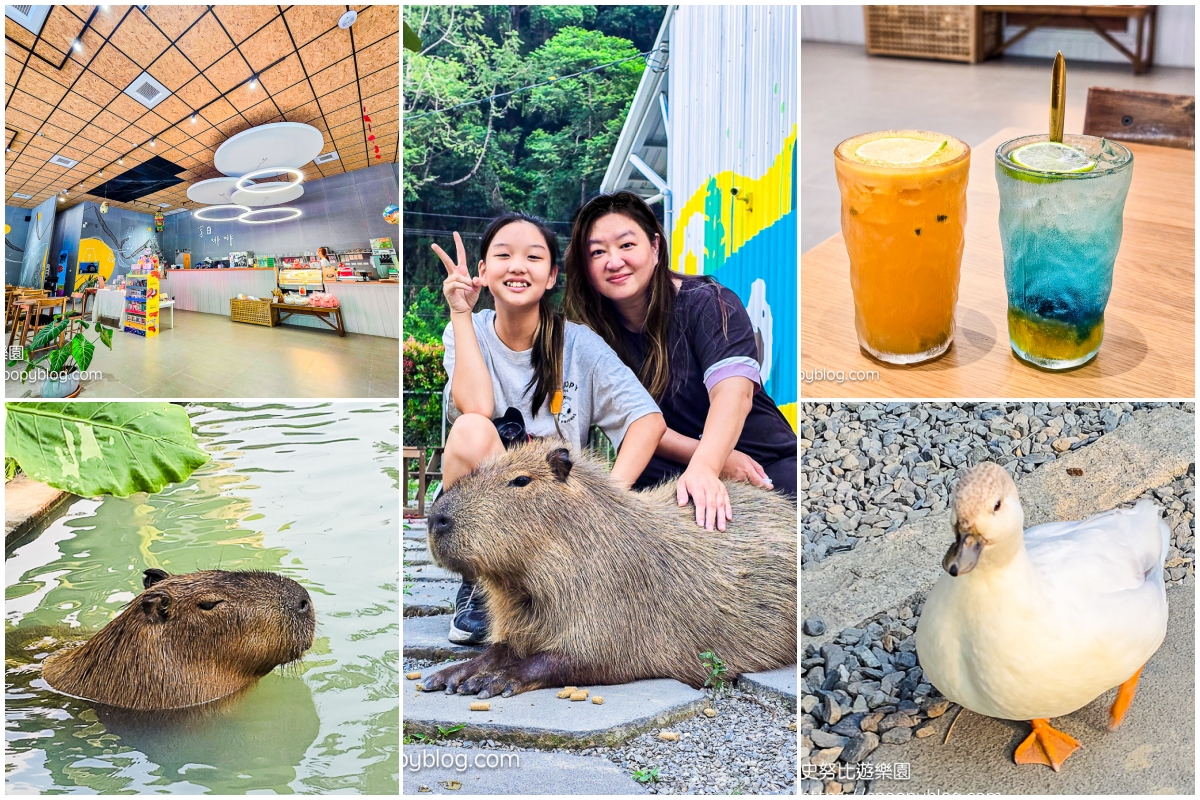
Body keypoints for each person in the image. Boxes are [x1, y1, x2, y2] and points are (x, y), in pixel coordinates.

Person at [434, 212, 666, 644]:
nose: (517, 267)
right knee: (471, 429)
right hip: (487, 506)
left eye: (533, 257)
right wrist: (461, 313)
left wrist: (608, 501)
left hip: (554, 515)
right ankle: (478, 583)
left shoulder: (580, 344)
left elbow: (647, 419)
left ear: (552, 275)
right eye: (503, 255)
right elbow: (476, 407)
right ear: (483, 271)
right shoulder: (466, 330)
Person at [564, 191, 797, 533]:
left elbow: (734, 394)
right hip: (664, 479)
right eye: (597, 252)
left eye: (627, 245)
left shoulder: (708, 303)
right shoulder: (587, 336)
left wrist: (707, 465)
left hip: (760, 464)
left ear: (655, 247)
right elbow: (632, 423)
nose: (613, 261)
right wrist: (707, 461)